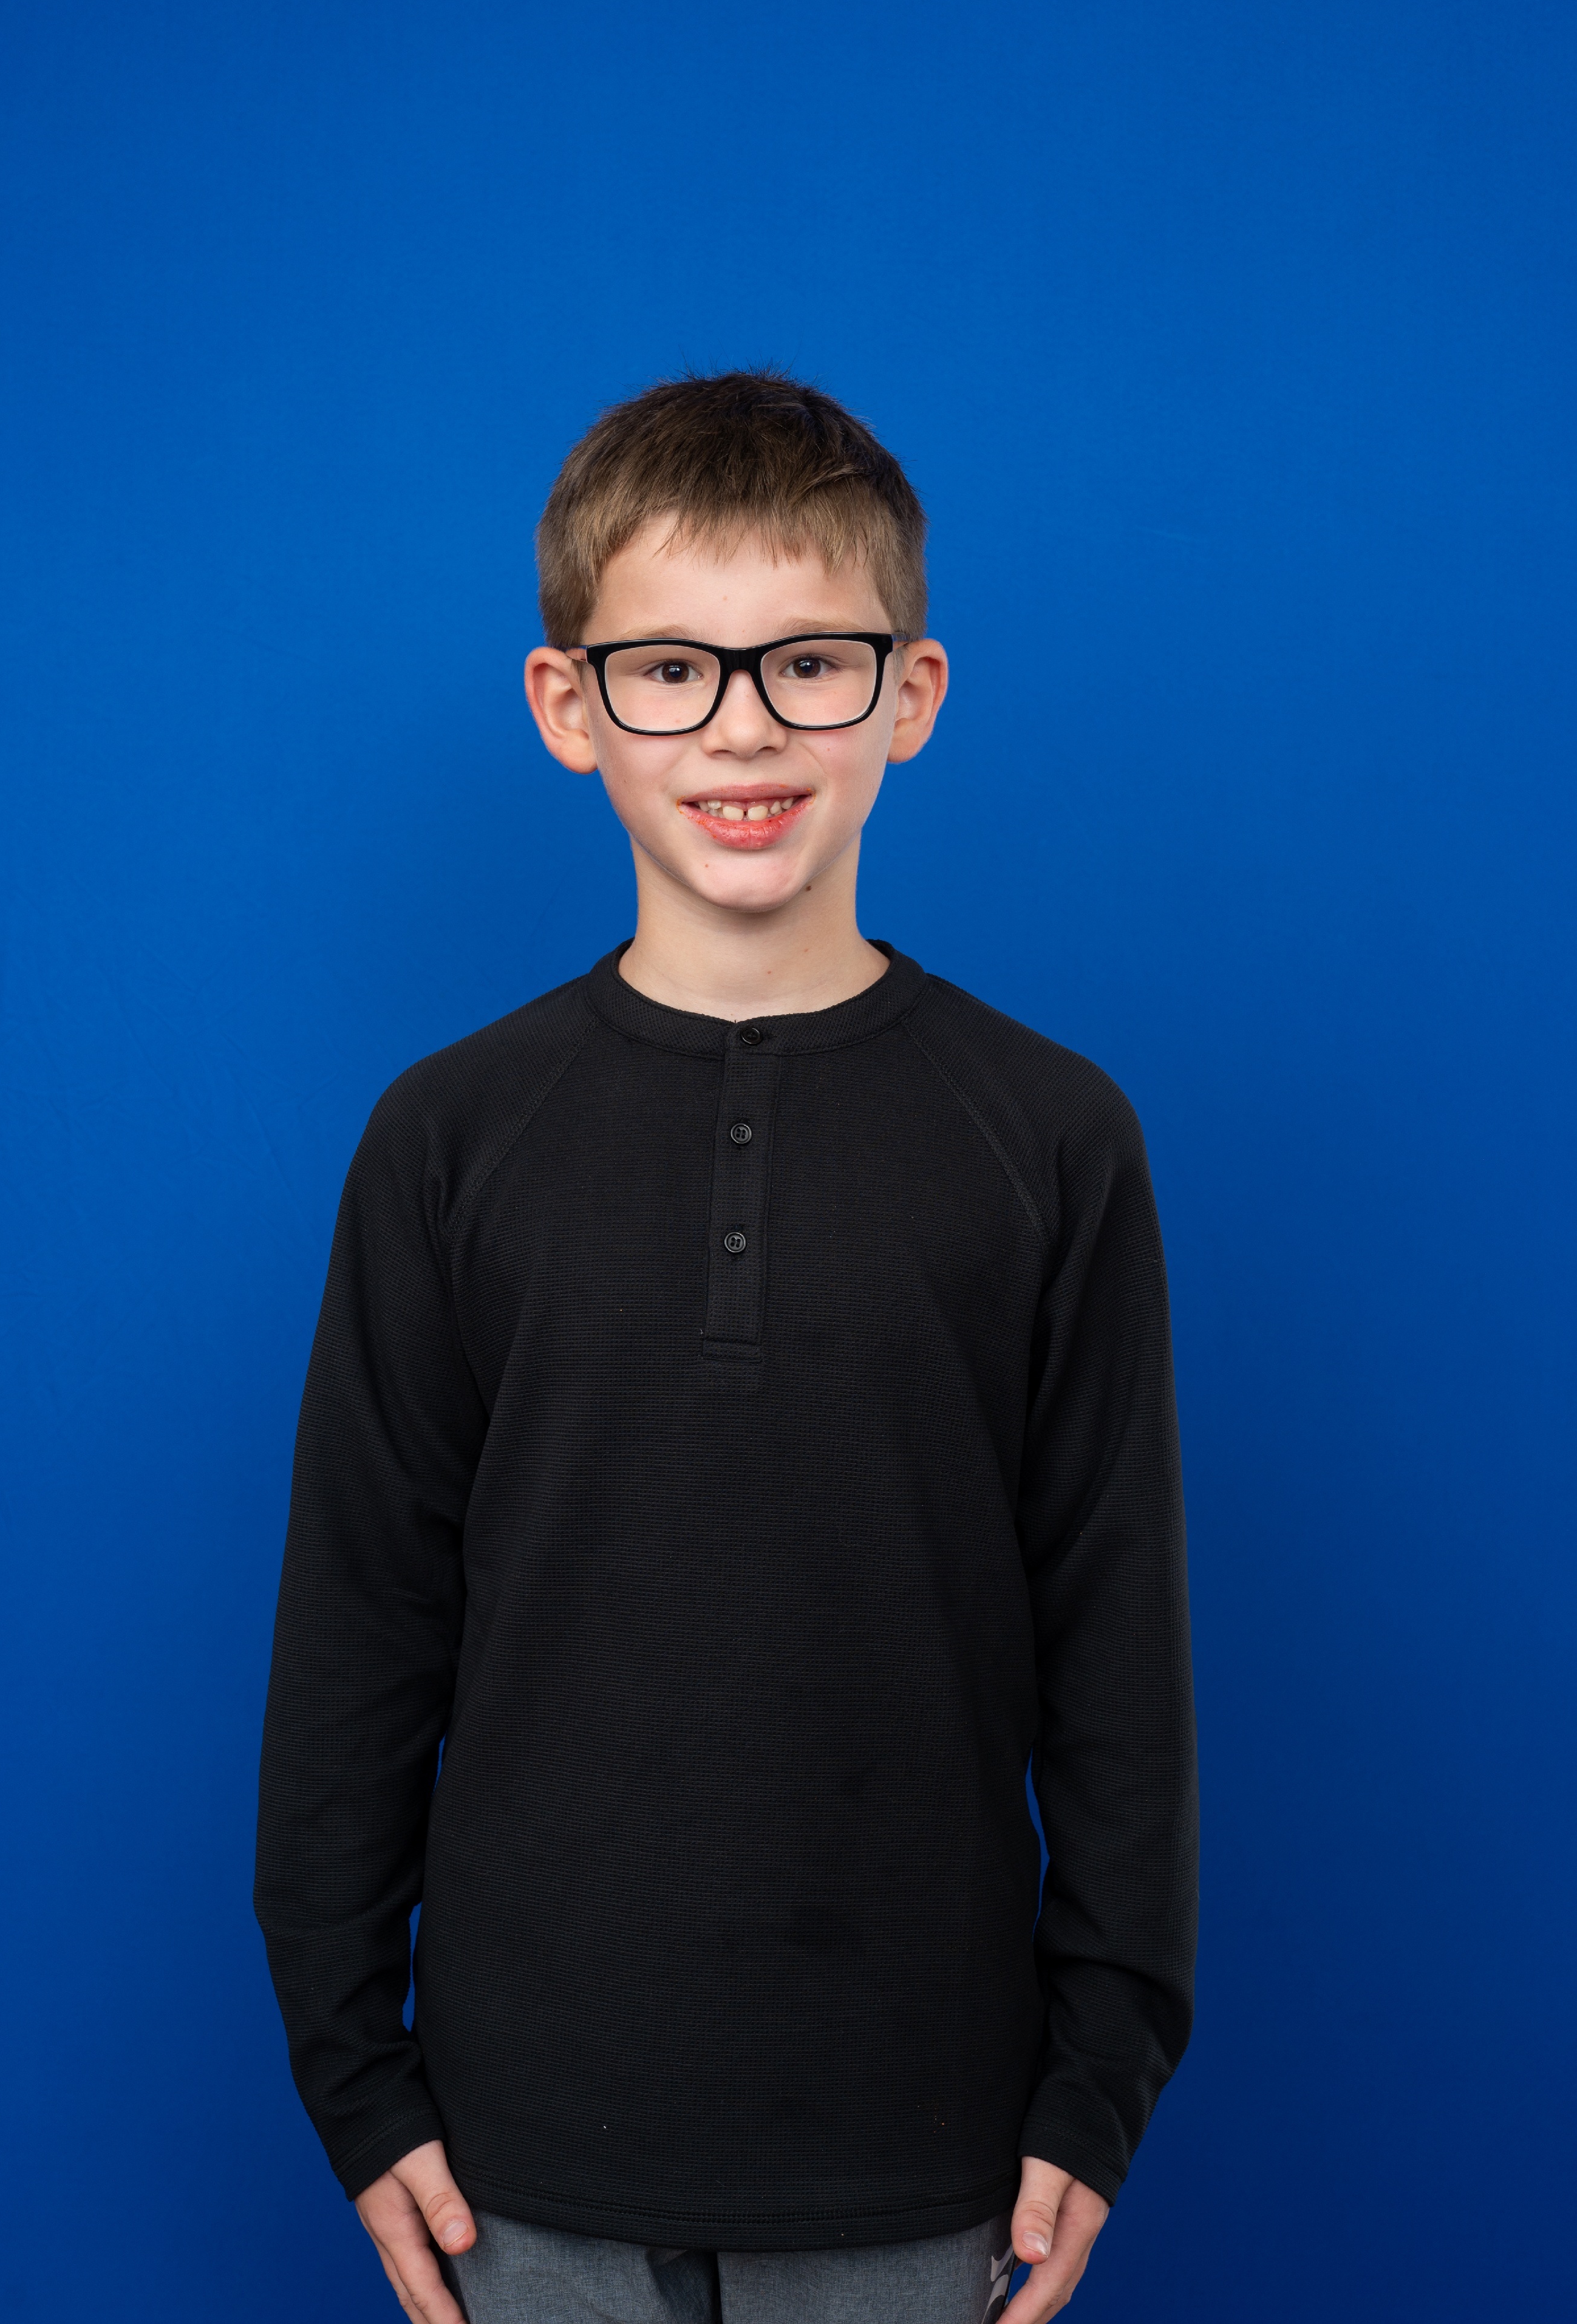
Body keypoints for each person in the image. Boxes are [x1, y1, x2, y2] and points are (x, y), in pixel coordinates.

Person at [254, 369, 1198, 2324]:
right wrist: (353, 2070)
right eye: (672, 669)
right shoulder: (447, 1139)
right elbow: (359, 1632)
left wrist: (1102, 2073)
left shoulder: (1052, 1137)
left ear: (913, 693)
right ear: (570, 704)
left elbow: (1119, 1646)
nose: (745, 727)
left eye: (811, 663)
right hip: (519, 2154)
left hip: (925, 2140)